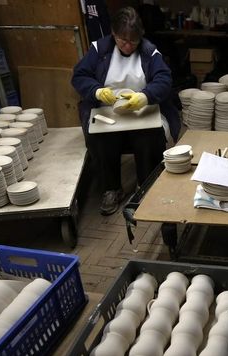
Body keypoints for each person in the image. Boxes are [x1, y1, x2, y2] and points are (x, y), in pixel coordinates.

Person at [72, 7, 181, 216]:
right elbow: (79, 76)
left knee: (149, 136)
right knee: (101, 138)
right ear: (114, 34)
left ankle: (145, 185)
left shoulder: (150, 51)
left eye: (134, 41)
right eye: (123, 41)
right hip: (107, 111)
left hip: (142, 111)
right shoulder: (99, 50)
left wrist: (145, 96)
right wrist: (96, 91)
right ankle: (111, 188)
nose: (129, 46)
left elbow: (164, 79)